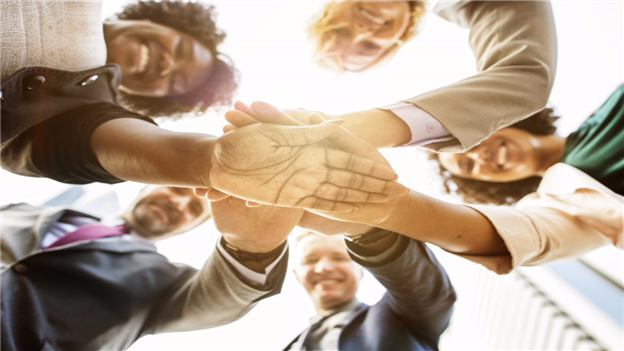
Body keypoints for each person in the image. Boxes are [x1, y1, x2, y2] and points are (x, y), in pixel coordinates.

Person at [0, 185, 295, 351]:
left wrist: (250, 242)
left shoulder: (165, 282)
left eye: (194, 210)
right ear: (146, 186)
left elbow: (216, 300)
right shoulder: (23, 211)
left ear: (190, 227)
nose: (179, 204)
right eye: (177, 189)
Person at [295, 0, 558, 152]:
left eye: (339, 32)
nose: (362, 32)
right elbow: (525, 77)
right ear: (405, 31)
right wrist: (357, 132)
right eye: (370, 47)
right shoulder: (481, 4)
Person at [284, 230, 455, 350]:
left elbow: (423, 288)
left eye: (339, 257)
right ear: (296, 274)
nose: (323, 268)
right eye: (310, 260)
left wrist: (365, 231)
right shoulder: (291, 344)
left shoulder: (398, 316)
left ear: (361, 269)